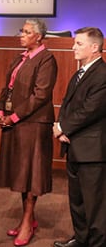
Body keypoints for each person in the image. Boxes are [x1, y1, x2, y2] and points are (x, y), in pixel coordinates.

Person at [0, 18, 57, 246]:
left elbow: (40, 95)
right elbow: (8, 87)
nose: (21, 34)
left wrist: (14, 116)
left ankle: (27, 222)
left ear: (39, 37)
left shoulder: (46, 59)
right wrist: (0, 109)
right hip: (17, 122)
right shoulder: (20, 57)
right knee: (21, 175)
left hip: (34, 124)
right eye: (22, 31)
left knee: (32, 176)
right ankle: (27, 219)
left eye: (27, 32)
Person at [52, 27, 106, 247]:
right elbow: (67, 103)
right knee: (77, 201)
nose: (73, 47)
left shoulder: (102, 74)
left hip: (92, 151)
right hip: (74, 146)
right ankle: (81, 239)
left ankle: (97, 243)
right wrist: (61, 128)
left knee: (95, 205)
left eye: (79, 44)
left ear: (95, 47)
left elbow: (91, 110)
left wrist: (64, 126)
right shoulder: (79, 72)